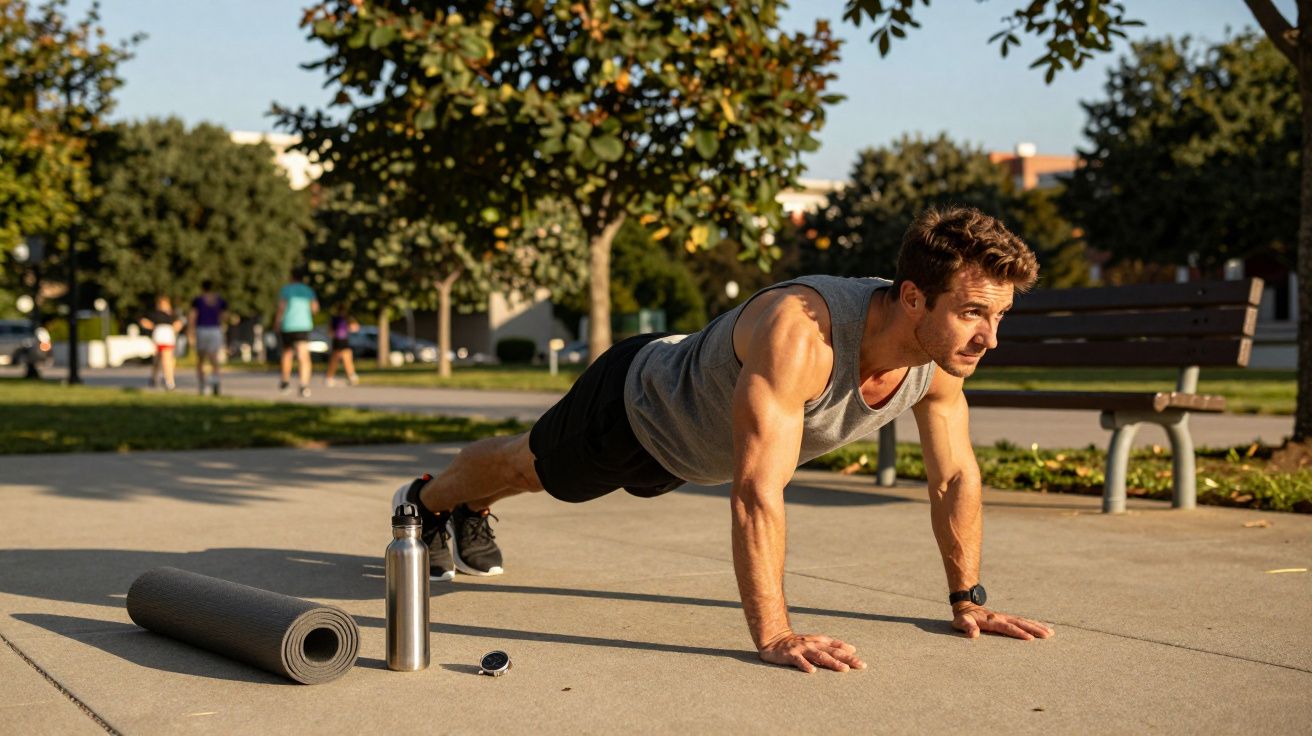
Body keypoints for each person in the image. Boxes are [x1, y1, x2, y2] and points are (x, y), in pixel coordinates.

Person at [390, 206, 1055, 672]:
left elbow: (955, 477)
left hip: (690, 449)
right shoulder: (804, 333)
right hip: (635, 409)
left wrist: (967, 600)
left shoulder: (938, 365)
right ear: (914, 297)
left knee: (532, 465)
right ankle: (434, 502)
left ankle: (458, 503)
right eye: (974, 313)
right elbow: (759, 489)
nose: (989, 338)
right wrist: (774, 635)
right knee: (525, 468)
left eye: (999, 316)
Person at [275, 271, 319, 397]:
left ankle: (285, 381)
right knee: (303, 356)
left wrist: (277, 322)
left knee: (287, 353)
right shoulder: (308, 290)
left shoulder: (286, 289)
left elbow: (281, 307)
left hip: (288, 325)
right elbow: (315, 308)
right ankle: (304, 385)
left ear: (291, 277)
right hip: (303, 326)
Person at [189, 280, 228, 396]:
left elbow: (192, 316)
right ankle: (215, 381)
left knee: (201, 359)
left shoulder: (198, 300)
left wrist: (190, 332)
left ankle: (202, 385)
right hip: (215, 330)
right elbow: (225, 316)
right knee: (214, 358)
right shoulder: (220, 301)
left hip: (202, 329)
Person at [140, 295, 183, 391]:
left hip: (168, 337)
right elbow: (144, 321)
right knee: (158, 360)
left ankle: (169, 381)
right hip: (159, 337)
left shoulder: (172, 315)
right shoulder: (155, 314)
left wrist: (174, 329)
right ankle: (155, 378)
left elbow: (179, 323)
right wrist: (152, 326)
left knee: (167, 359)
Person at [324, 304, 359, 387]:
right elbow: (355, 328)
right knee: (343, 358)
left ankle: (331, 377)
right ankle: (350, 376)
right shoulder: (346, 318)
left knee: (339, 359)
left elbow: (329, 332)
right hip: (341, 340)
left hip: (338, 341)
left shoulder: (335, 318)